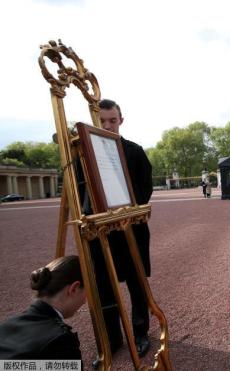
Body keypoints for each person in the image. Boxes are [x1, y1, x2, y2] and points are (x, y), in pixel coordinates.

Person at [90, 99, 153, 367]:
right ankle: (113, 339)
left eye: (112, 120)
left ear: (121, 120)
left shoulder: (135, 152)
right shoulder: (84, 153)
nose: (107, 125)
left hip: (130, 230)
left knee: (137, 283)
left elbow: (144, 192)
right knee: (104, 287)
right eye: (102, 121)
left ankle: (139, 334)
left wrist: (119, 210)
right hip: (100, 233)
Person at [0, 256, 85, 360]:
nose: (85, 301)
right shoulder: (61, 341)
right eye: (87, 293)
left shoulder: (7, 325)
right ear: (74, 289)